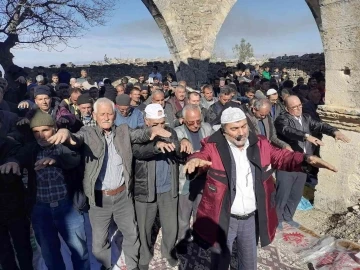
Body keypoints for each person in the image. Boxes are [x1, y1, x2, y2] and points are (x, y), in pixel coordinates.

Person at [183, 106, 338, 270]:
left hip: (250, 218)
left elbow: (282, 157)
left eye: (243, 126)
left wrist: (306, 159)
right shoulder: (213, 145)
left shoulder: (260, 143)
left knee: (249, 264)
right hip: (224, 219)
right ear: (223, 130)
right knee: (220, 263)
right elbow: (201, 155)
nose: (241, 132)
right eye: (234, 129)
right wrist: (194, 161)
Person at [47, 98, 172, 270]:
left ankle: (132, 264)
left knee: (131, 235)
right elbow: (77, 139)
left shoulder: (123, 130)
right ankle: (105, 265)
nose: (106, 117)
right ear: (95, 115)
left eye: (109, 113)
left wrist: (153, 130)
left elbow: (139, 135)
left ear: (114, 115)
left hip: (123, 197)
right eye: (102, 114)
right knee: (99, 244)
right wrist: (67, 135)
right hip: (99, 199)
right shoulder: (88, 132)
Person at [1, 110, 90, 270]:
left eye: (45, 130)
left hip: (67, 207)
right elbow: (19, 155)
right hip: (41, 211)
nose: (41, 135)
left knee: (80, 253)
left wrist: (55, 160)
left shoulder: (65, 144)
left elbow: (73, 158)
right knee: (51, 257)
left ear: (54, 128)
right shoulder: (32, 148)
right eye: (36, 132)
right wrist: (13, 161)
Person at [274, 96, 350, 228]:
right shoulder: (282, 119)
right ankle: (277, 219)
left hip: (304, 162)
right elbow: (288, 131)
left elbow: (320, 125)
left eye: (300, 105)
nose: (298, 109)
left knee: (296, 193)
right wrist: (306, 136)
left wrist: (334, 131)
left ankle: (288, 217)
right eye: (294, 107)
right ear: (287, 109)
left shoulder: (306, 118)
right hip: (287, 162)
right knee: (283, 193)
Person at [132, 104, 187, 269]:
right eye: (155, 124)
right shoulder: (138, 133)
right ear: (146, 121)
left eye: (162, 122)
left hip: (168, 188)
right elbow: (138, 152)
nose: (160, 127)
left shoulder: (171, 132)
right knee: (144, 228)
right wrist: (155, 147)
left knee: (171, 227)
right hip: (146, 190)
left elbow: (178, 154)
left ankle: (168, 252)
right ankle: (144, 256)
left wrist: (181, 145)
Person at [174, 104, 212, 241]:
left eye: (198, 121)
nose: (196, 125)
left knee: (200, 211)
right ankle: (183, 239)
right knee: (184, 215)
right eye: (191, 122)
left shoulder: (207, 128)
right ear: (183, 120)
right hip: (186, 180)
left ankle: (198, 237)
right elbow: (175, 143)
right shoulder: (178, 132)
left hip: (204, 177)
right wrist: (182, 141)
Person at [0, 137, 34, 270]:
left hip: (15, 206)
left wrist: (11, 163)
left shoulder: (9, 143)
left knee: (23, 248)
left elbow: (19, 158)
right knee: (4, 253)